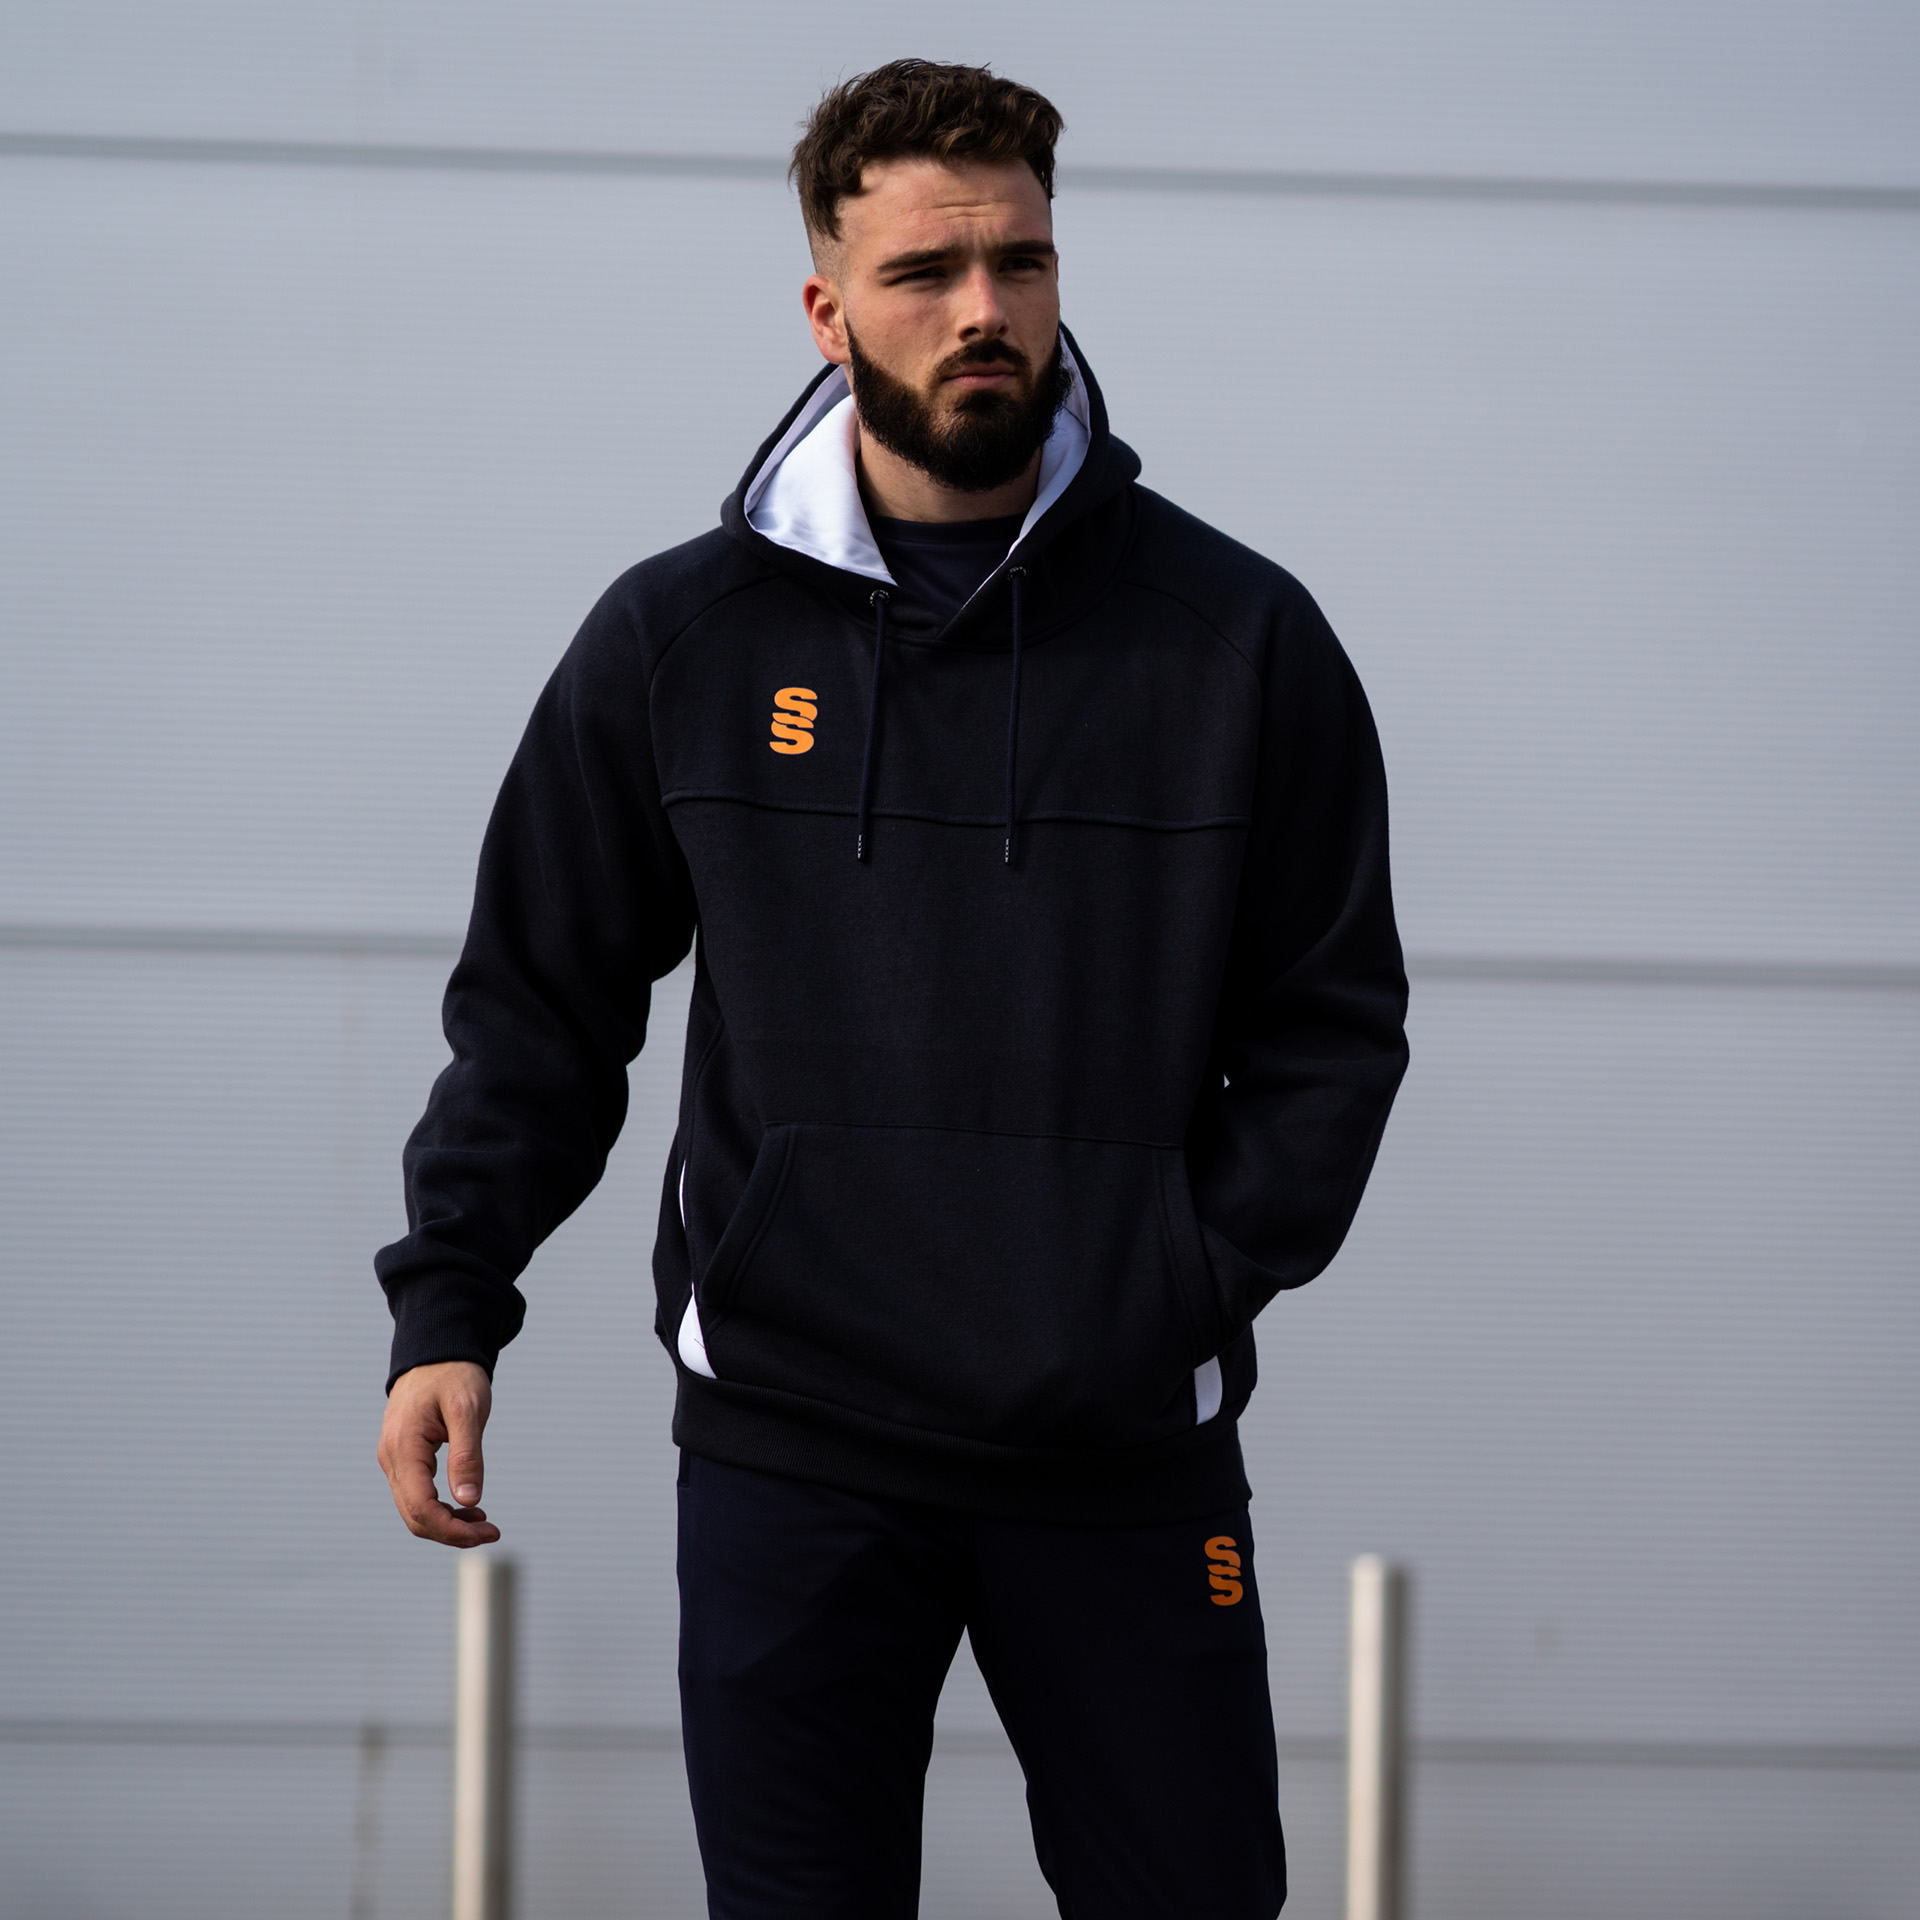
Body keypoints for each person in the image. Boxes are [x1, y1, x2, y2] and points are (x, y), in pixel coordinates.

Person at [375, 58, 1408, 1920]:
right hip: (793, 1445)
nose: (983, 310)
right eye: (926, 271)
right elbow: (542, 1001)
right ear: (827, 304)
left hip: (1121, 1449)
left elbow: (1331, 1027)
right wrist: (453, 1299)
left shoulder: (1235, 642)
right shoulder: (680, 641)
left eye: (1021, 261)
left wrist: (1167, 1283)